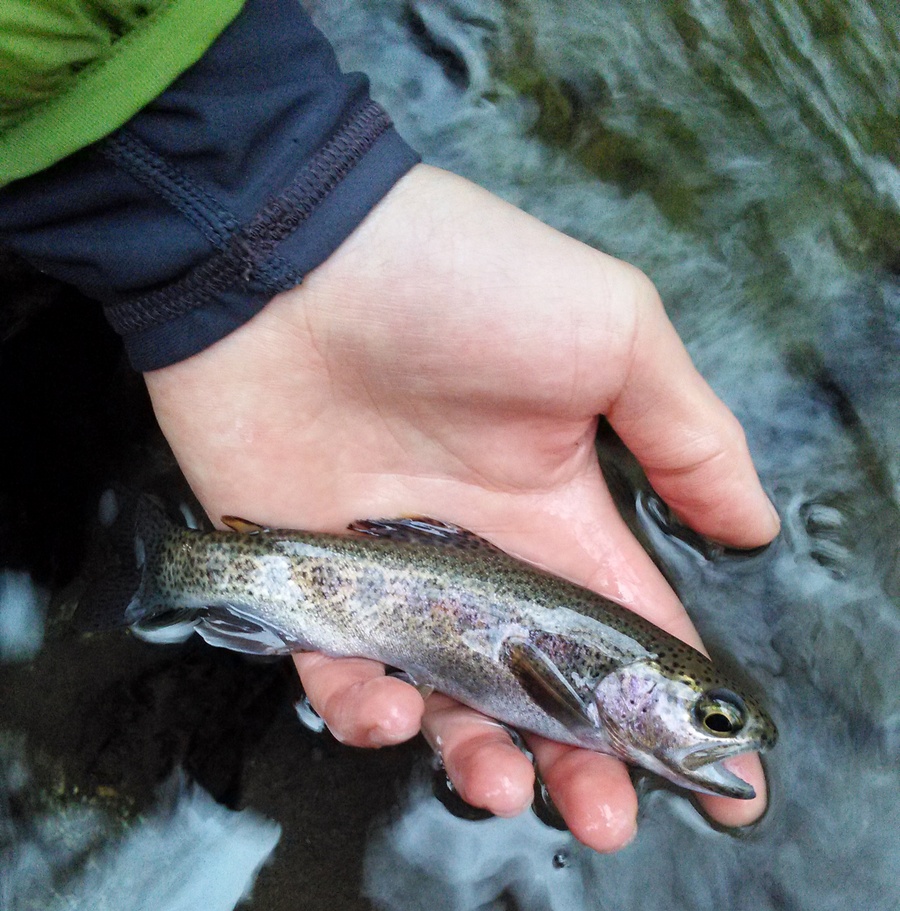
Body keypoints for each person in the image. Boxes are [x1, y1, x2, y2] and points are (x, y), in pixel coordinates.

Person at [0, 0, 779, 852]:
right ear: (646, 685)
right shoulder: (586, 690)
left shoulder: (592, 689)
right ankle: (175, 567)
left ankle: (174, 565)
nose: (722, 735)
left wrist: (254, 211)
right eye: (713, 717)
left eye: (716, 721)